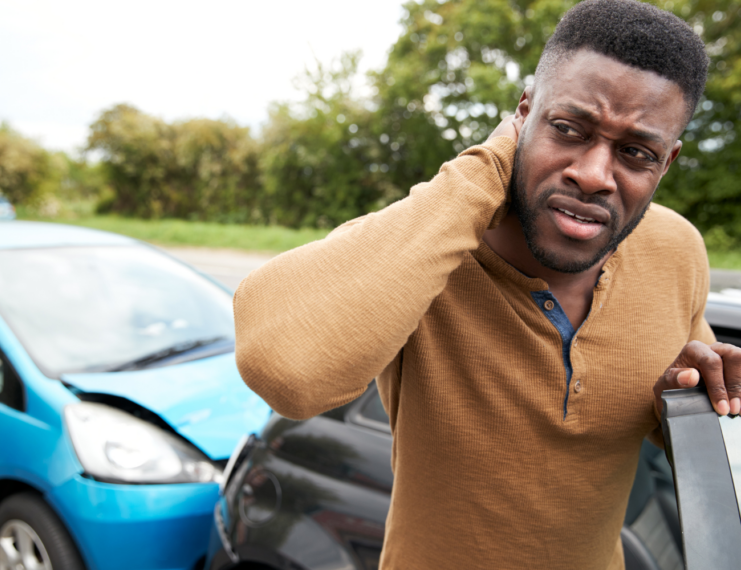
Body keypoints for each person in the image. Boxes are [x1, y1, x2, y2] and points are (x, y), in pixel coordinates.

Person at [233, 1, 740, 568]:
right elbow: (288, 373)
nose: (594, 175)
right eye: (568, 128)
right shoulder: (430, 243)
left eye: (635, 153)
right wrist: (484, 169)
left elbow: (681, 444)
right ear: (522, 114)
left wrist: (683, 397)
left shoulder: (678, 250)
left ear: (666, 163)